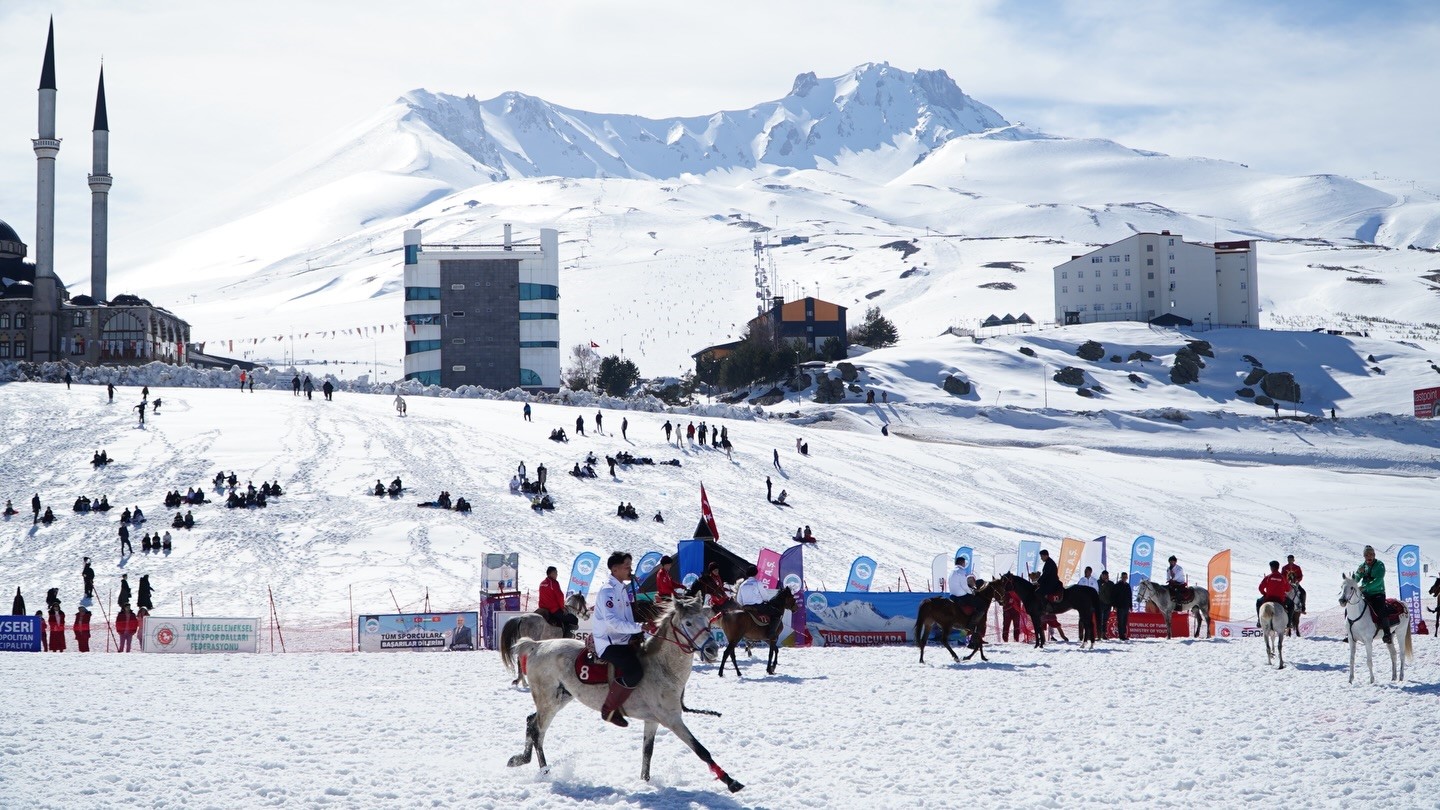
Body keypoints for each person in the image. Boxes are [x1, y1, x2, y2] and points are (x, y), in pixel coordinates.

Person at [593, 552, 645, 727]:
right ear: (615, 569)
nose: (630, 569)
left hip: (623, 640)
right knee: (635, 672)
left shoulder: (622, 589)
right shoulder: (607, 591)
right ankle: (608, 709)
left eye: (630, 565)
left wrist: (639, 631)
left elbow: (627, 619)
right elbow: (613, 623)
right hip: (609, 644)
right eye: (627, 566)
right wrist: (639, 627)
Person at [1355, 545, 1391, 643]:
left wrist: (1365, 587)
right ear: (1364, 556)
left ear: (1374, 555)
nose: (1369, 556)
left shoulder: (1380, 565)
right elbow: (1356, 578)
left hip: (1377, 593)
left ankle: (1387, 633)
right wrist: (1357, 574)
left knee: (1381, 610)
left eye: (1371, 554)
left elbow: (1378, 580)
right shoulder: (1363, 566)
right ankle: (1351, 632)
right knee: (1353, 607)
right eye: (1366, 555)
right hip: (1365, 594)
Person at [537, 566, 576, 637]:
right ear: (551, 573)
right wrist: (562, 608)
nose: (557, 574)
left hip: (542, 608)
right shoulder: (554, 583)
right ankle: (567, 638)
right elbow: (560, 596)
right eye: (555, 573)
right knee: (573, 619)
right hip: (553, 610)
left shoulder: (542, 583)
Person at [1256, 560, 1293, 627]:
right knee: (1291, 604)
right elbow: (1288, 589)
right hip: (1281, 599)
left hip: (1268, 598)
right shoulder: (1283, 577)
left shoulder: (1268, 577)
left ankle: (1259, 621)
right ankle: (1289, 623)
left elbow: (1260, 588)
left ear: (1271, 568)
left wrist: (1265, 594)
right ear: (1278, 567)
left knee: (1258, 602)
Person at [1113, 573, 1133, 640]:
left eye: (1125, 577)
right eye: (1123, 577)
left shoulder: (1128, 586)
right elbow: (1114, 596)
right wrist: (1114, 606)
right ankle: (1121, 635)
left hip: (1126, 606)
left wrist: (1130, 606)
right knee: (1120, 621)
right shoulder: (1117, 585)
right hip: (1120, 606)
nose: (1124, 578)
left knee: (1124, 621)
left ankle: (1124, 634)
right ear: (1121, 577)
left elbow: (1130, 596)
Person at [1096, 571, 1113, 639]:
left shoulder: (1111, 583)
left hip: (1108, 604)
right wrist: (1105, 584)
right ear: (1102, 575)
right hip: (1100, 604)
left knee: (1105, 620)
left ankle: (1104, 634)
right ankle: (1099, 634)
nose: (1105, 576)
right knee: (1100, 620)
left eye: (1106, 575)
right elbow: (1099, 591)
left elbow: (1113, 593)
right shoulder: (1098, 582)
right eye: (1104, 575)